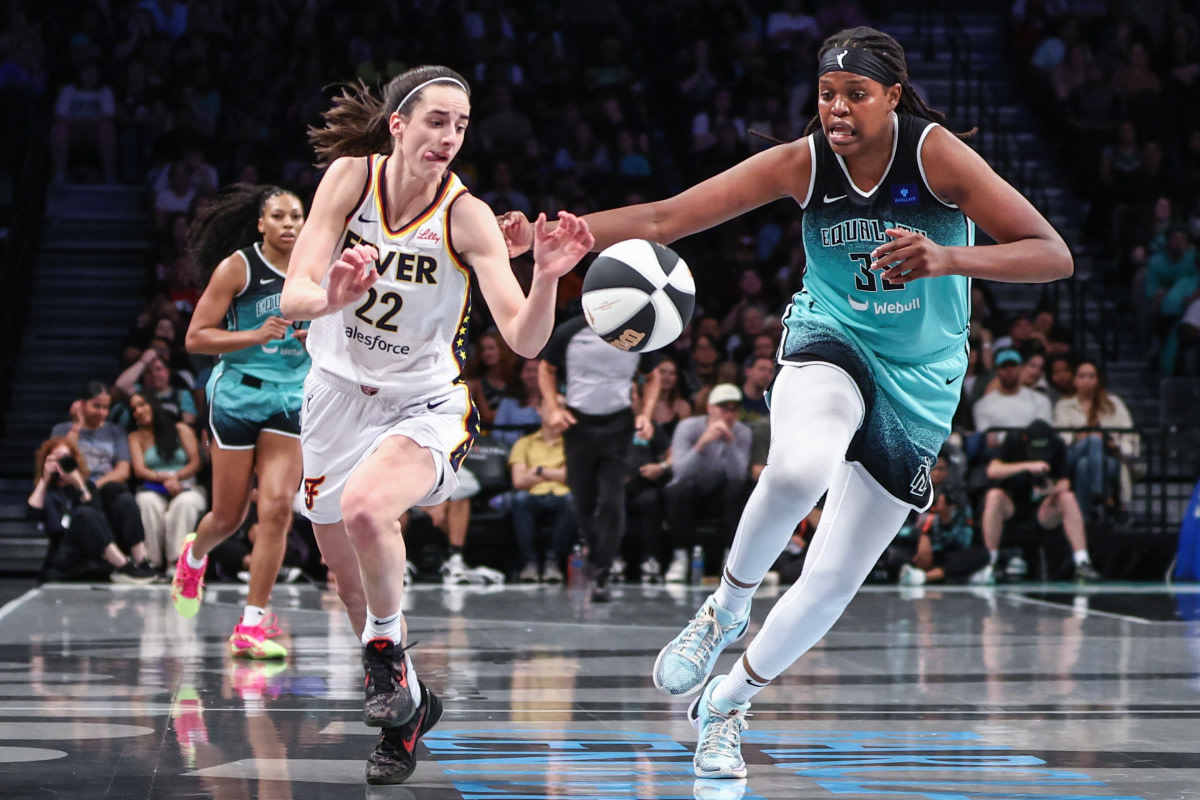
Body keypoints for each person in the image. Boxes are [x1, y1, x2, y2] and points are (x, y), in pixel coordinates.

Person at [501, 25, 1073, 780]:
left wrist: (947, 256)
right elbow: (664, 219)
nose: (836, 109)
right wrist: (553, 238)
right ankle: (723, 612)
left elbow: (1053, 253)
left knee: (834, 581)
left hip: (922, 380)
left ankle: (729, 703)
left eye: (856, 95)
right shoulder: (804, 164)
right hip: (830, 339)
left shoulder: (934, 155)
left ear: (893, 98)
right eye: (827, 94)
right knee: (799, 469)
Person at [278, 66, 593, 785]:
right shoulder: (348, 183)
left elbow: (523, 339)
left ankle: (385, 657)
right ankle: (409, 710)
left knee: (367, 509)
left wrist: (544, 277)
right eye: (435, 121)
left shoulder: (467, 215)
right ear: (398, 125)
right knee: (351, 584)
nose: (449, 136)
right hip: (332, 395)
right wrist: (328, 296)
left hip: (422, 404)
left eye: (460, 124)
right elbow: (294, 295)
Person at [171, 184, 310, 665]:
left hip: (291, 396)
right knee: (228, 517)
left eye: (297, 215)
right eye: (279, 216)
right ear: (261, 223)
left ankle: (252, 624)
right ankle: (193, 555)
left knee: (275, 508)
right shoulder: (238, 267)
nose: (290, 224)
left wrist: (322, 340)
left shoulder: (319, 268)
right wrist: (253, 333)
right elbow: (195, 338)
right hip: (236, 393)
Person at [537, 312, 661, 603]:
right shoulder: (570, 331)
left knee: (612, 501)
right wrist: (554, 409)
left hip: (618, 425)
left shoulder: (637, 332)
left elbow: (653, 375)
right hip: (578, 424)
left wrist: (645, 414)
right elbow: (545, 368)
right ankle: (597, 555)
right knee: (583, 502)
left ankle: (601, 574)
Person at [980, 419, 1100, 583]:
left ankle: (1082, 562)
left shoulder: (1057, 444)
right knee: (994, 496)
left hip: (1042, 508)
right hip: (1012, 505)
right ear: (1025, 439)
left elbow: (1065, 482)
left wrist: (1051, 490)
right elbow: (992, 470)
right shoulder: (1013, 441)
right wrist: (1028, 466)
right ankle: (991, 562)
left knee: (1068, 497)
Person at [28, 437, 157, 583]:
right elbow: (33, 514)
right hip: (65, 551)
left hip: (95, 549)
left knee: (121, 497)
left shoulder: (86, 486)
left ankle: (141, 562)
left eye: (66, 459)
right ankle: (124, 567)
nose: (62, 464)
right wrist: (45, 479)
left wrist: (79, 485)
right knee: (83, 514)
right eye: (57, 459)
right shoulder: (46, 491)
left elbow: (98, 519)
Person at [661, 384, 753, 583]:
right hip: (693, 488)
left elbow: (738, 475)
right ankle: (680, 557)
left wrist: (730, 444)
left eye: (734, 409)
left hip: (721, 492)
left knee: (738, 490)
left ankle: (731, 558)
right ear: (710, 408)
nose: (729, 414)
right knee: (678, 491)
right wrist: (701, 444)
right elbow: (680, 471)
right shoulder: (688, 427)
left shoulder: (742, 432)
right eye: (724, 408)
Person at [127, 392, 207, 571]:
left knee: (184, 504)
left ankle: (176, 564)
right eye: (134, 409)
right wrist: (164, 479)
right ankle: (152, 563)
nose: (138, 411)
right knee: (146, 502)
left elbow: (196, 462)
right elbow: (139, 470)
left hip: (187, 485)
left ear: (154, 404)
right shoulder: (135, 437)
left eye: (142, 404)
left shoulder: (180, 429)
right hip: (154, 486)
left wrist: (176, 477)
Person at [1052, 360, 1137, 519]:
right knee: (1093, 441)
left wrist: (1113, 443)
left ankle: (1083, 518)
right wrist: (1079, 437)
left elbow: (1129, 433)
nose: (1087, 380)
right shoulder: (1063, 405)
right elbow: (1060, 439)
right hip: (1073, 453)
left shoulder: (1114, 403)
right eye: (1082, 376)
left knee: (1085, 466)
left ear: (1098, 380)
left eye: (1091, 376)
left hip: (1107, 459)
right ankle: (1100, 494)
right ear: (1075, 380)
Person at [508, 394, 575, 583]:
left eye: (561, 406)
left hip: (563, 495)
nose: (557, 410)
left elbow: (573, 478)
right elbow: (519, 480)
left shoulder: (573, 444)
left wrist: (539, 470)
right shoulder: (524, 443)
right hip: (532, 495)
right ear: (539, 410)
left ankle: (553, 561)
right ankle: (529, 562)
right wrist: (556, 473)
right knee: (520, 500)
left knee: (573, 502)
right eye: (552, 405)